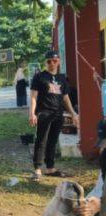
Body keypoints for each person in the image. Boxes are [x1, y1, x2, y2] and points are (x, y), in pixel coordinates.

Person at [29, 50, 79, 181]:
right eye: (49, 61)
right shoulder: (39, 77)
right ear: (45, 62)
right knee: (41, 140)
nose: (52, 63)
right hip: (44, 113)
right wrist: (32, 113)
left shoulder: (62, 78)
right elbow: (33, 96)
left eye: (55, 61)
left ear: (59, 62)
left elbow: (66, 97)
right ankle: (37, 169)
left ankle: (50, 168)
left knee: (52, 140)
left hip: (58, 114)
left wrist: (73, 114)